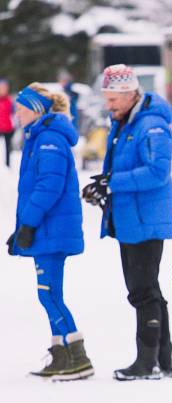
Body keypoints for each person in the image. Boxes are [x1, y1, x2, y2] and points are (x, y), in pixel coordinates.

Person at [81, 64, 172, 381]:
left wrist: (113, 182)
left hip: (145, 220)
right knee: (149, 288)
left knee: (142, 291)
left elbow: (157, 173)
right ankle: (164, 359)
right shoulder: (126, 121)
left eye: (112, 100)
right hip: (130, 218)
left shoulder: (151, 125)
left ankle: (146, 363)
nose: (109, 106)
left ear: (130, 93)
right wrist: (104, 186)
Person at [7, 84, 93, 379]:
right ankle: (60, 355)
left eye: (21, 108)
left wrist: (28, 225)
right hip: (47, 228)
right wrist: (20, 230)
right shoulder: (40, 137)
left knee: (49, 295)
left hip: (52, 229)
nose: (16, 113)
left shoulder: (49, 140)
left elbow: (49, 186)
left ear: (37, 110)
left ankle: (78, 356)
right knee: (49, 292)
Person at [0, 78, 14, 167]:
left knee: (7, 148)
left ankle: (7, 165)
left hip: (8, 128)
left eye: (4, 87)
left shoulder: (10, 100)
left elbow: (14, 114)